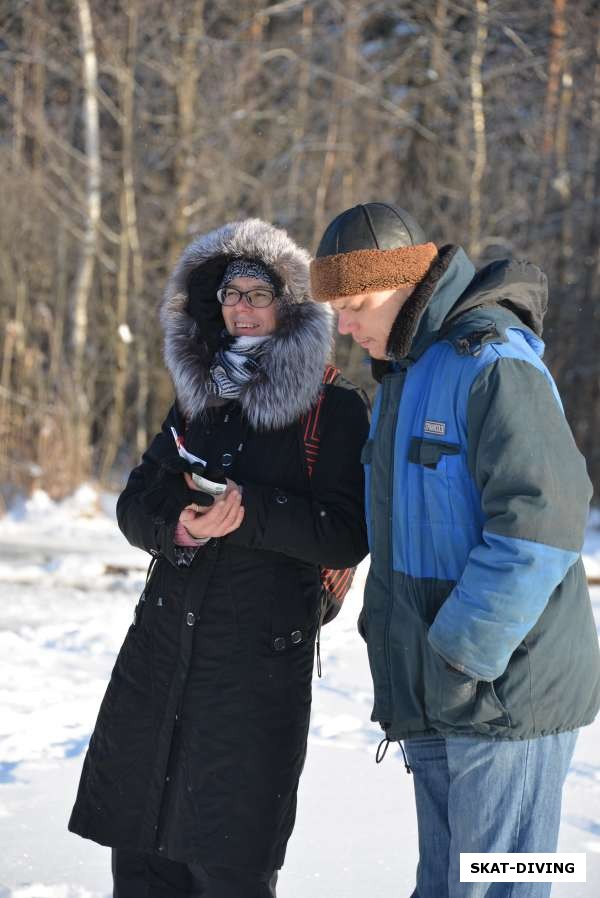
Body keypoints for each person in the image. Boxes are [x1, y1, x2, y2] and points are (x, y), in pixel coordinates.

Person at [68, 217, 369, 897]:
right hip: (162, 653)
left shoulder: (336, 406)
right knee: (144, 858)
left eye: (257, 293)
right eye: (230, 293)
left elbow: (348, 534)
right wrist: (184, 526)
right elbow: (134, 503)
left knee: (230, 863)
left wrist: (250, 514)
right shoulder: (197, 399)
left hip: (256, 670)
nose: (241, 306)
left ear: (291, 305)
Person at [310, 202, 600, 898]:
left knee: (503, 887)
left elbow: (548, 514)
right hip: (437, 689)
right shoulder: (406, 376)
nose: (345, 328)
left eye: (356, 305)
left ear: (406, 282)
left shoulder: (493, 362)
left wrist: (464, 651)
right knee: (444, 885)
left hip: (505, 694)